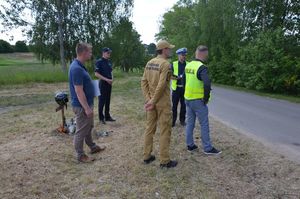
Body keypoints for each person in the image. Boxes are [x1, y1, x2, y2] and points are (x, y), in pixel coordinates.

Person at [141, 40, 178, 168]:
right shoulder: (166, 64)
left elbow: (143, 82)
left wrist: (148, 99)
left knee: (149, 128)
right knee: (165, 130)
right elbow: (162, 85)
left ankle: (146, 156)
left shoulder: (149, 63)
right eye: (169, 48)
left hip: (151, 101)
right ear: (164, 50)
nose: (171, 51)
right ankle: (165, 160)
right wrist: (152, 101)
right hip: (162, 102)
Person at [69, 42, 106, 163]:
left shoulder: (80, 65)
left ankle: (92, 147)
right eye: (89, 52)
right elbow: (79, 91)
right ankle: (80, 155)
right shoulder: (76, 68)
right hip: (81, 106)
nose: (91, 54)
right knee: (81, 130)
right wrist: (86, 108)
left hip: (86, 104)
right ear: (84, 52)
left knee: (88, 127)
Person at [184, 45, 221, 155]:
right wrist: (205, 98)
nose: (207, 56)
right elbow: (207, 83)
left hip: (188, 99)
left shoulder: (188, 65)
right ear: (203, 53)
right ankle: (208, 148)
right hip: (198, 101)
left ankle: (190, 145)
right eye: (207, 54)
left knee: (190, 123)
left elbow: (184, 81)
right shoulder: (202, 67)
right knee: (204, 124)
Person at [95, 47, 115, 124]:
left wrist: (112, 79)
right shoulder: (99, 62)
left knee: (108, 101)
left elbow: (111, 71)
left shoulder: (109, 62)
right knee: (102, 101)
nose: (109, 54)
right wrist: (107, 80)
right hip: (103, 84)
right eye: (108, 53)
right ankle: (101, 118)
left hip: (109, 84)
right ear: (103, 53)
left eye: (110, 53)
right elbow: (96, 74)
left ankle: (107, 116)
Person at [171, 48, 189, 127]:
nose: (184, 56)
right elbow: (170, 75)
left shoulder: (188, 64)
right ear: (178, 55)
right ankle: (173, 121)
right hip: (176, 88)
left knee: (184, 106)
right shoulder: (173, 64)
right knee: (174, 106)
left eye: (185, 55)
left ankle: (182, 121)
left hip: (185, 88)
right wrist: (178, 77)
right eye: (182, 55)